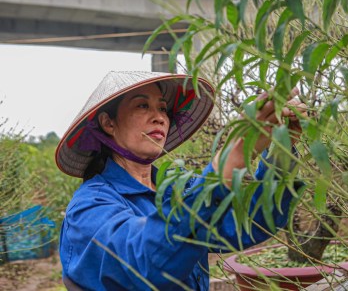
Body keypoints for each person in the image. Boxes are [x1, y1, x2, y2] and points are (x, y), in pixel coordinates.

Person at [55, 71, 306, 291]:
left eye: (163, 108)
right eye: (142, 106)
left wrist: (282, 151)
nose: (159, 117)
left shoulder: (176, 188)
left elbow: (250, 221)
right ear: (108, 123)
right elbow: (142, 264)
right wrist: (225, 167)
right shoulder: (89, 207)